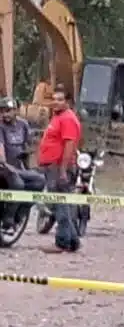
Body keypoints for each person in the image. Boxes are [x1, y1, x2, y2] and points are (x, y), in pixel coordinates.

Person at [37, 86, 82, 254]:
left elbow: (69, 146)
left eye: (60, 99)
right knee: (63, 204)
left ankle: (62, 242)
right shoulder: (57, 117)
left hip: (59, 168)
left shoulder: (68, 119)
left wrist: (63, 170)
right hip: (52, 167)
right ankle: (72, 241)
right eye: (54, 99)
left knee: (60, 205)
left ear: (68, 102)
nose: (55, 102)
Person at [0, 97, 43, 223]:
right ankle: (8, 216)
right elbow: (0, 147)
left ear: (16, 111)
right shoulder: (0, 127)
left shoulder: (23, 124)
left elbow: (28, 145)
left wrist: (30, 160)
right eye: (2, 111)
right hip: (5, 168)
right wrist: (4, 163)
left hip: (19, 167)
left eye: (8, 110)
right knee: (18, 185)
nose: (4, 114)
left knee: (39, 180)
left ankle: (22, 212)